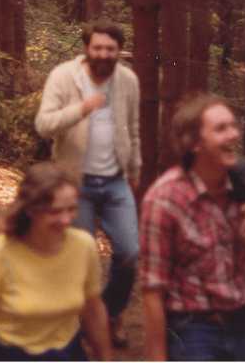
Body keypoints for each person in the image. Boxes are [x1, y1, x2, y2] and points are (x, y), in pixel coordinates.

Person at [34, 20, 140, 347]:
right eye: (98, 48)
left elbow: (133, 128)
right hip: (74, 183)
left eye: (110, 49)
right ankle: (80, 324)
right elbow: (43, 125)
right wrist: (81, 109)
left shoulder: (128, 80)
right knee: (82, 257)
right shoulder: (63, 76)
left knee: (130, 253)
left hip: (116, 181)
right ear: (86, 48)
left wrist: (134, 169)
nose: (104, 54)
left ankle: (109, 314)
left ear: (119, 51)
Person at [140, 94, 245, 361]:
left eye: (233, 126)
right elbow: (153, 290)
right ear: (194, 143)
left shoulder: (241, 187)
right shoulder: (165, 199)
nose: (234, 134)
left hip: (239, 323)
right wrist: (157, 356)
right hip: (192, 331)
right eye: (221, 129)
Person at [0, 162, 112, 361]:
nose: (66, 220)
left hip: (68, 353)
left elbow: (93, 311)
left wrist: (105, 357)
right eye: (55, 211)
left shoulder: (84, 246)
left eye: (71, 209)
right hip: (13, 355)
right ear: (31, 210)